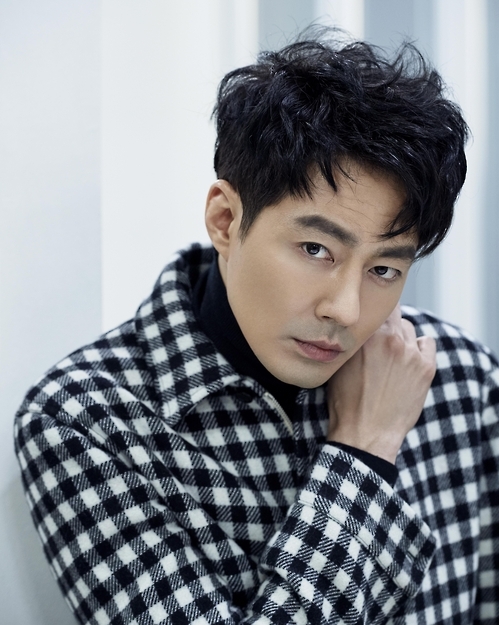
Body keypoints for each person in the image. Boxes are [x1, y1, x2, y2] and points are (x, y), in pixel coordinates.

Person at [14, 28, 499, 624]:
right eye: (316, 249)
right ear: (225, 219)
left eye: (384, 269)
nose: (346, 310)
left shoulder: (461, 380)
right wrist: (366, 450)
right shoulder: (90, 422)